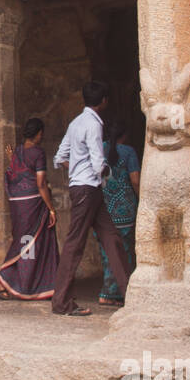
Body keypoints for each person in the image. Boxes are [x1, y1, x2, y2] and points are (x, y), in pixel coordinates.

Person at [51, 82, 131, 316]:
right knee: (75, 245)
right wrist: (106, 171)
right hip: (89, 189)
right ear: (103, 100)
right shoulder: (94, 124)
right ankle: (61, 302)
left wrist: (76, 169)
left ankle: (132, 295)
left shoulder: (75, 123)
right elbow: (98, 163)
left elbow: (60, 157)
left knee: (112, 239)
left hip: (86, 189)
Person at [0, 118, 59, 300]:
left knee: (24, 242)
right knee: (31, 243)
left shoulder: (18, 151)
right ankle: (17, 281)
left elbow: (16, 172)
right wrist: (51, 208)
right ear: (38, 134)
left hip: (18, 205)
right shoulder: (38, 153)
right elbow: (41, 183)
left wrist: (11, 158)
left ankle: (10, 281)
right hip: (33, 204)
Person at [95, 120, 140, 307]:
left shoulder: (99, 149)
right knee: (125, 251)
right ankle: (123, 292)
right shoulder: (128, 152)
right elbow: (135, 180)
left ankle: (107, 292)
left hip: (104, 209)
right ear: (124, 136)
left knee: (106, 251)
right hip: (125, 209)